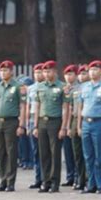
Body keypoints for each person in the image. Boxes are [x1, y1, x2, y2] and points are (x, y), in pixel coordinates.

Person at [77, 60, 101, 194]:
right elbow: (80, 108)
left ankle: (100, 184)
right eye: (90, 70)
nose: (92, 72)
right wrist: (78, 126)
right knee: (88, 156)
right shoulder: (84, 87)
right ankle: (91, 184)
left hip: (99, 123)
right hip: (86, 123)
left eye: (95, 69)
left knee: (100, 155)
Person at [33, 60, 69, 193]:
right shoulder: (40, 87)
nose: (46, 74)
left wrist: (64, 127)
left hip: (55, 122)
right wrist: (35, 125)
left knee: (55, 154)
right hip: (43, 121)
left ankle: (55, 182)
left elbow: (66, 108)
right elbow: (37, 106)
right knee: (44, 153)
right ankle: (45, 181)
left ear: (55, 71)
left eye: (48, 71)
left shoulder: (62, 87)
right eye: (44, 71)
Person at [0, 60, 26, 192]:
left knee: (11, 152)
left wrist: (21, 124)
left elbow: (22, 106)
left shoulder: (17, 86)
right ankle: (3, 180)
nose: (3, 72)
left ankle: (11, 181)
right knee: (0, 152)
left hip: (11, 122)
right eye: (1, 70)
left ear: (11, 71)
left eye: (6, 70)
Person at [27, 64, 44, 189]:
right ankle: (38, 178)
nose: (38, 75)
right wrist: (28, 124)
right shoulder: (31, 88)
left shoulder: (47, 87)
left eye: (40, 72)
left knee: (45, 151)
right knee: (36, 152)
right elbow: (28, 105)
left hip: (44, 119)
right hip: (33, 119)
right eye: (36, 72)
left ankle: (46, 177)